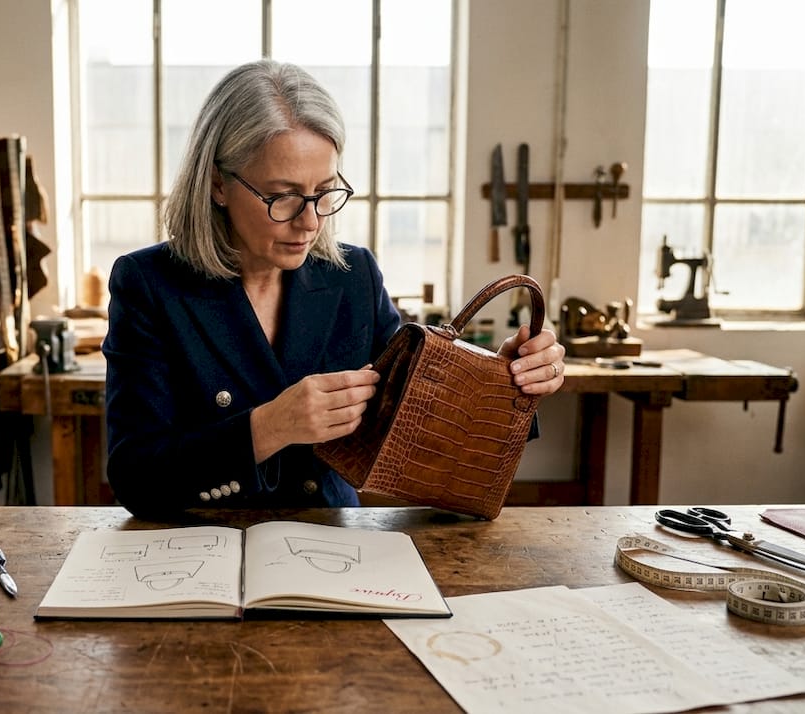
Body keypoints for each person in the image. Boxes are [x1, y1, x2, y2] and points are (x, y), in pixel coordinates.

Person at [102, 59, 564, 517]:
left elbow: (415, 423)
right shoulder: (148, 284)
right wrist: (268, 428)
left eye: (325, 191)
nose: (310, 221)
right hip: (199, 554)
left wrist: (500, 384)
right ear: (217, 184)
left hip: (331, 551)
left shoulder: (352, 276)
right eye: (282, 195)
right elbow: (134, 478)